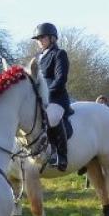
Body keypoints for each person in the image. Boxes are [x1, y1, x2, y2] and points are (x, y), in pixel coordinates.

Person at [33, 22, 71, 171]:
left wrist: (46, 93)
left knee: (51, 117)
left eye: (42, 37)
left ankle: (61, 155)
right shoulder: (38, 58)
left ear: (52, 38)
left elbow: (61, 79)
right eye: (38, 38)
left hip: (56, 98)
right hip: (40, 99)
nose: (39, 41)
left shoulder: (59, 54)